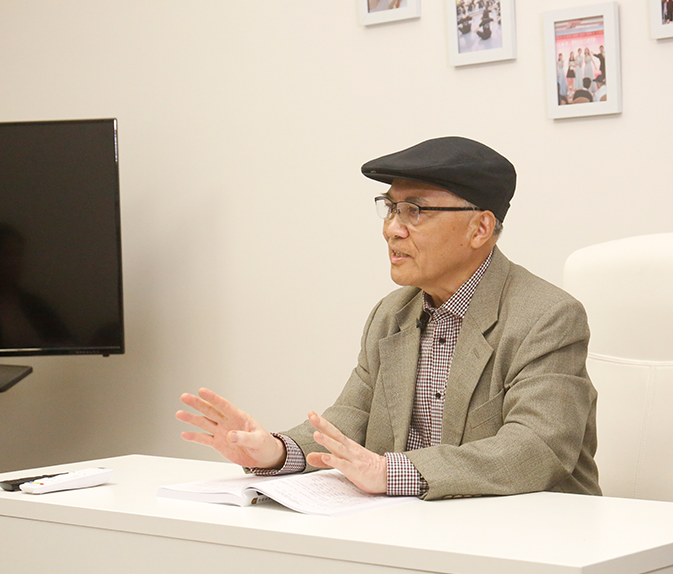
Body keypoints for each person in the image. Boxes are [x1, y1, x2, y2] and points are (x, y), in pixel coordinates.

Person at [177, 137, 601, 501]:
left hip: (530, 534)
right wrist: (274, 451)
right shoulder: (392, 314)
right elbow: (351, 418)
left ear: (479, 229)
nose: (392, 229)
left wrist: (391, 473)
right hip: (415, 526)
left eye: (414, 210)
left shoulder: (547, 317)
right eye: (391, 208)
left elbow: (536, 448)